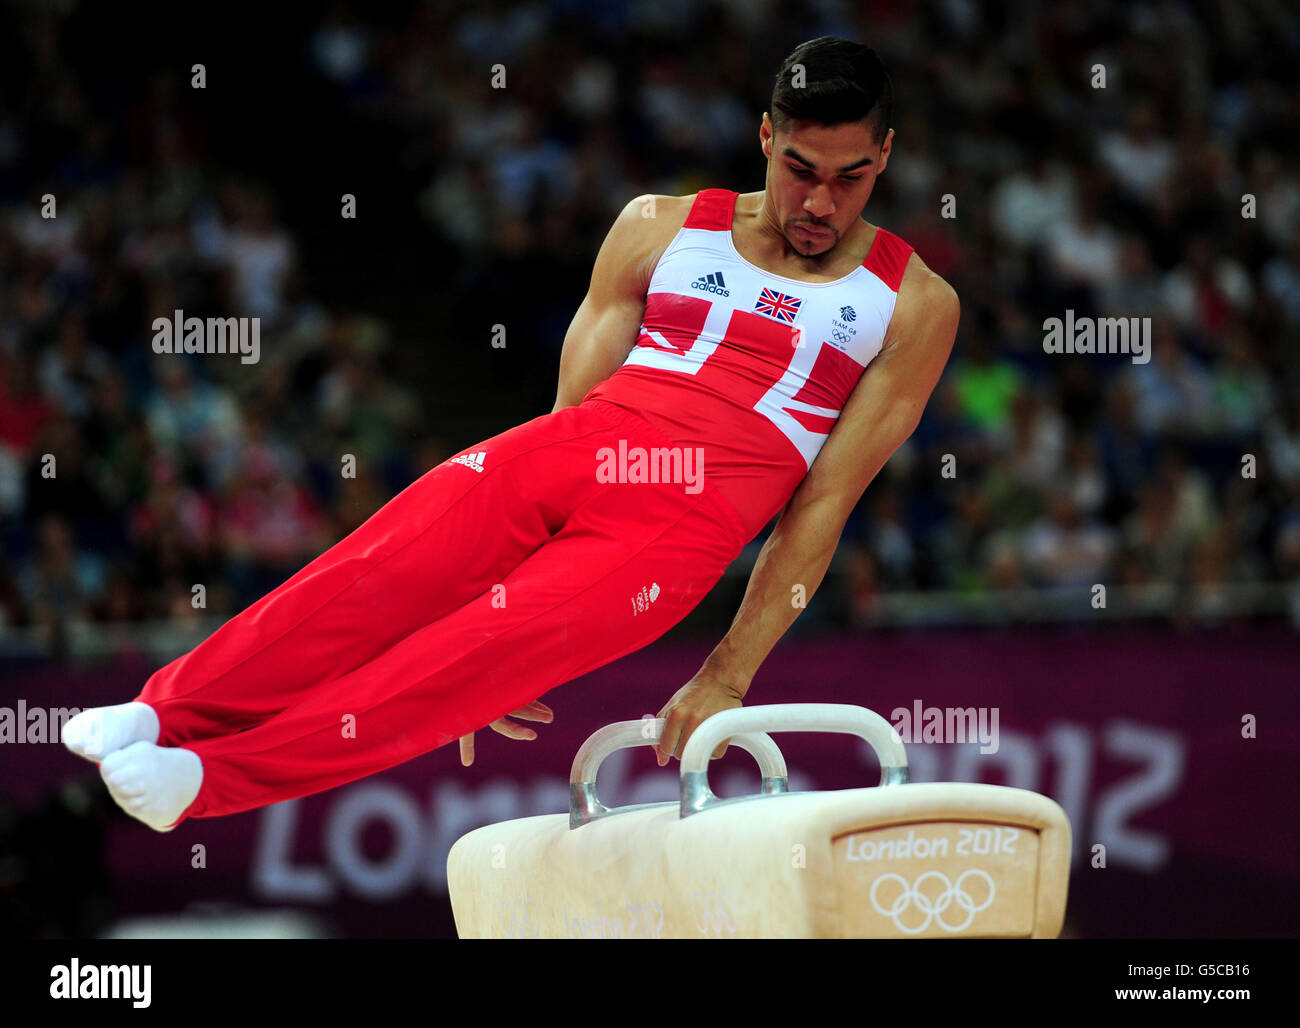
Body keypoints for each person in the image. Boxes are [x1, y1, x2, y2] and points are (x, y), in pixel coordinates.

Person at [62, 36, 959, 831]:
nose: (820, 202)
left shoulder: (912, 304)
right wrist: (499, 577)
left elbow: (825, 504)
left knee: (452, 667)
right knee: (369, 572)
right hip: (576, 448)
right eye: (802, 168)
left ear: (885, 155)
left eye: (851, 177)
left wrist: (727, 673)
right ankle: (165, 710)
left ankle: (206, 781)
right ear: (766, 137)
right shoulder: (660, 225)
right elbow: (572, 414)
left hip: (675, 534)